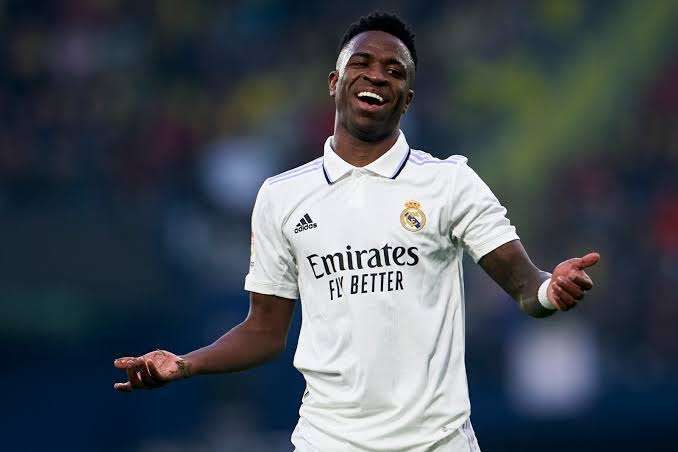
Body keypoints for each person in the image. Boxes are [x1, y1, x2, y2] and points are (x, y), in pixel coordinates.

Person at [114, 12, 599, 452]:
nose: (377, 75)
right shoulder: (282, 196)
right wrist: (185, 364)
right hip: (328, 442)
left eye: (395, 71)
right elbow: (264, 331)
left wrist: (551, 291)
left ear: (407, 99)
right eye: (362, 63)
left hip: (436, 443)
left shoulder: (449, 183)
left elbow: (526, 287)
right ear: (335, 82)